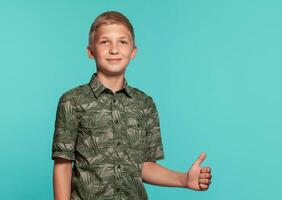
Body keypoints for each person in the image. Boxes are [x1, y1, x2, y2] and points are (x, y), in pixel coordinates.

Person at [51, 11, 212, 200]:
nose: (114, 49)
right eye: (105, 42)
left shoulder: (144, 104)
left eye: (122, 42)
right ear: (90, 51)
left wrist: (184, 179)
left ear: (133, 52)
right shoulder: (72, 101)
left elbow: (144, 167)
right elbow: (63, 165)